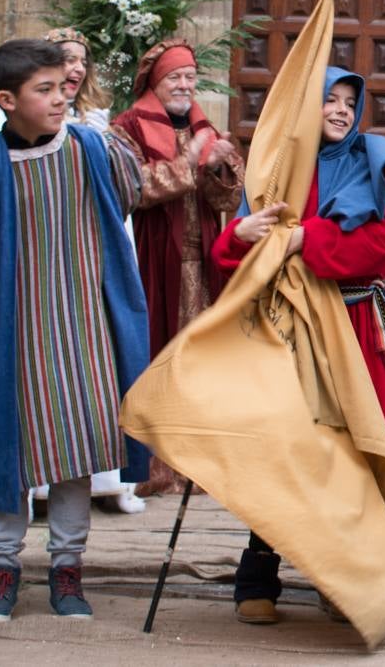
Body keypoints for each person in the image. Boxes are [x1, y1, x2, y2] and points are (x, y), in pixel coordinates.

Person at [0, 39, 149, 621]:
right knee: (4, 449)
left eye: (62, 85)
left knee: (75, 452)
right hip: (9, 339)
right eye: (43, 89)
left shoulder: (95, 150)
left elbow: (132, 193)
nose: (60, 96)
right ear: (6, 99)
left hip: (82, 333)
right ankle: (2, 568)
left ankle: (68, 570)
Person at [209, 66, 385, 625]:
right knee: (282, 448)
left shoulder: (372, 169)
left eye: (351, 101)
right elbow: (232, 256)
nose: (342, 110)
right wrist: (240, 235)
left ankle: (344, 578)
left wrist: (306, 238)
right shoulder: (277, 167)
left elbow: (380, 244)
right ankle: (258, 574)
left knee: (353, 455)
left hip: (356, 331)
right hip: (289, 330)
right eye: (330, 99)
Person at [110, 39, 243, 494]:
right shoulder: (126, 127)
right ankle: (154, 466)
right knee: (154, 356)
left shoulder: (205, 126)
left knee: (200, 360)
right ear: (154, 81)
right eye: (175, 77)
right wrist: (188, 163)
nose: (185, 85)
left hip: (203, 261)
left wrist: (221, 169)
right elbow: (132, 187)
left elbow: (227, 199)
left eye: (189, 76)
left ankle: (198, 464)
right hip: (150, 259)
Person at [0, 27, 111, 140]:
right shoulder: (11, 109)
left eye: (84, 63)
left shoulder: (89, 112)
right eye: (70, 60)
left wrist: (105, 139)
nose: (80, 69)